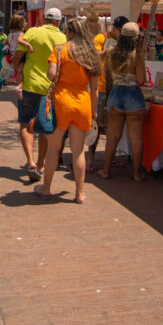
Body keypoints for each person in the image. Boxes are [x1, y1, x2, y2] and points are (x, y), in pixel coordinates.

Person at [35, 18, 101, 203]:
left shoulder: (60, 50)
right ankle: (79, 193)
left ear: (70, 32)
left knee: (53, 149)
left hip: (61, 102)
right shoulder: (91, 54)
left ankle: (46, 188)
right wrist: (94, 111)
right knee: (78, 151)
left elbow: (51, 75)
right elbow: (94, 88)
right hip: (82, 103)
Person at [16, 7, 67, 182]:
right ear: (59, 22)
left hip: (30, 84)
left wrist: (16, 68)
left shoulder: (33, 32)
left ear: (44, 19)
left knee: (26, 123)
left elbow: (19, 54)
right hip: (51, 88)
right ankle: (40, 164)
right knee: (44, 127)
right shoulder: (63, 38)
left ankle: (30, 162)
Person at [98, 21, 149, 182]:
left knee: (112, 136)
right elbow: (141, 80)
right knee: (136, 138)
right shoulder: (137, 54)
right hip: (133, 96)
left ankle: (106, 170)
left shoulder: (112, 50)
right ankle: (137, 173)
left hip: (115, 95)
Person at [88, 16, 126, 171]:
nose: (122, 34)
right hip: (101, 87)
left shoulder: (123, 41)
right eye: (121, 31)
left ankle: (111, 157)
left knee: (112, 126)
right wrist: (107, 51)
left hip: (116, 87)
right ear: (115, 28)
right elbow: (93, 56)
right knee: (95, 124)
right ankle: (90, 159)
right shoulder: (100, 38)